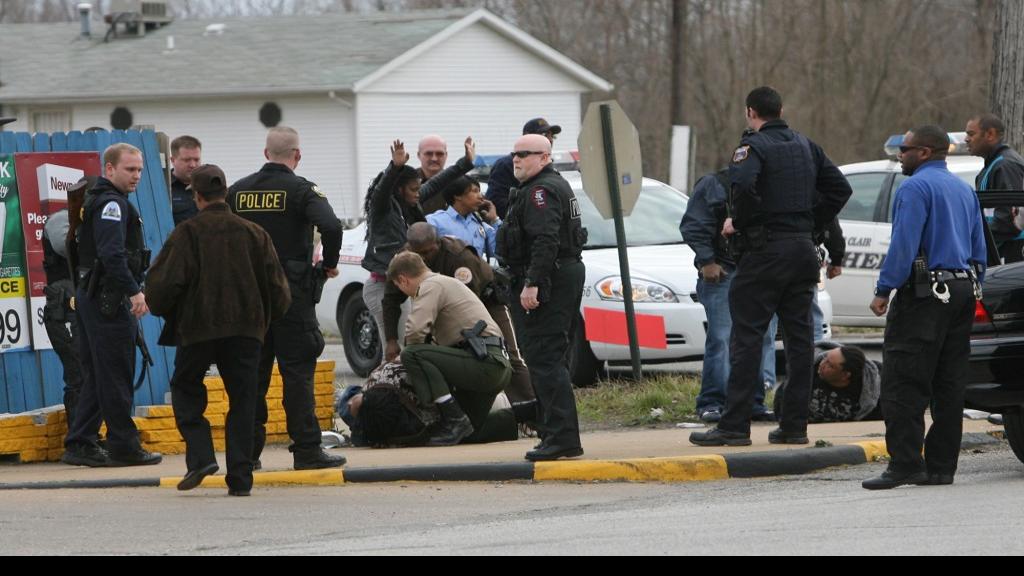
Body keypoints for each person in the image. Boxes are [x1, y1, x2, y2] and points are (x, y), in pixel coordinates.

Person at [689, 87, 851, 448]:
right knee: (799, 342)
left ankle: (734, 426)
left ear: (751, 112)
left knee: (746, 339)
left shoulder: (753, 148)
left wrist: (742, 223)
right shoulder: (807, 145)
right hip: (803, 252)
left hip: (764, 254)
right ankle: (794, 425)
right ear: (781, 110)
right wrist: (811, 223)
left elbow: (744, 185)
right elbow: (840, 189)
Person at [148, 165, 292, 496]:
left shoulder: (187, 234)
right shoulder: (255, 233)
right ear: (225, 193)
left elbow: (161, 286)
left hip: (197, 328)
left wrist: (172, 312)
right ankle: (241, 478)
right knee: (244, 399)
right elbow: (279, 290)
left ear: (197, 197)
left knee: (185, 387)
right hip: (246, 330)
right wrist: (263, 320)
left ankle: (200, 456)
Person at [863, 125, 987, 490]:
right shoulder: (964, 191)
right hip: (963, 290)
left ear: (927, 152)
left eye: (905, 149)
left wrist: (885, 288)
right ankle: (942, 467)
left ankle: (905, 464)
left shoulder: (915, 188)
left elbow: (905, 243)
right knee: (949, 384)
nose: (900, 154)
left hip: (924, 294)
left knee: (904, 381)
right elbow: (979, 248)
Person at [226, 126, 345, 471]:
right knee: (297, 374)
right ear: (297, 155)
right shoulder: (302, 190)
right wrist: (329, 266)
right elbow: (332, 227)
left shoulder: (239, 191)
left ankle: (247, 454)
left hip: (250, 297)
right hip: (292, 296)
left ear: (266, 154)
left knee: (251, 376)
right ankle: (306, 450)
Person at [62, 143, 162, 468]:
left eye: (139, 170)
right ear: (109, 169)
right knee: (117, 373)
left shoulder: (109, 201)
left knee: (100, 375)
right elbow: (111, 255)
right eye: (129, 169)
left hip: (98, 298)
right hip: (108, 299)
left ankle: (80, 442)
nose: (136, 176)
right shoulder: (112, 205)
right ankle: (124, 445)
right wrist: (134, 292)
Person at [497, 134, 587, 461]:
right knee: (550, 358)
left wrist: (532, 282)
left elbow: (546, 239)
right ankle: (555, 434)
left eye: (524, 154)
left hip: (549, 280)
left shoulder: (540, 191)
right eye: (514, 154)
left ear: (544, 157)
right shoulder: (546, 186)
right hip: (559, 274)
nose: (516, 159)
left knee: (545, 357)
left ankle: (561, 438)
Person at [381, 222, 534, 404]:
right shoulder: (406, 262)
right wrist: (391, 339)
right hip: (445, 311)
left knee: (510, 356)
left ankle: (532, 411)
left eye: (428, 252)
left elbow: (468, 304)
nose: (423, 258)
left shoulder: (458, 257)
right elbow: (390, 300)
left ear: (438, 243)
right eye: (418, 253)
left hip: (484, 302)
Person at [680, 169, 778, 423]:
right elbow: (694, 225)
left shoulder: (772, 183)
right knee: (722, 339)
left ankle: (753, 402)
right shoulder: (715, 184)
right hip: (724, 271)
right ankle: (712, 402)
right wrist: (707, 261)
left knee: (762, 338)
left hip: (760, 272)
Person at [387, 252, 512, 446]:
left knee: (412, 355)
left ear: (403, 280)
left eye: (398, 286)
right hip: (496, 364)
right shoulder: (446, 282)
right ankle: (520, 417)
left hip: (484, 362)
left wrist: (402, 364)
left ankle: (454, 419)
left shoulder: (430, 286)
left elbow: (415, 332)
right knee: (468, 434)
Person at [362, 138, 475, 342]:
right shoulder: (383, 208)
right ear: (399, 190)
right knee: (395, 345)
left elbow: (438, 182)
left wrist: (464, 163)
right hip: (383, 287)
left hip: (406, 284)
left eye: (418, 188)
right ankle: (385, 375)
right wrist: (395, 168)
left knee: (411, 344)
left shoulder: (410, 204)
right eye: (414, 189)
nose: (418, 193)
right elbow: (382, 190)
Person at [42, 177, 90, 430]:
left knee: (91, 375)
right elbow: (68, 247)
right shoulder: (62, 220)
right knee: (78, 374)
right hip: (65, 310)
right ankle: (80, 438)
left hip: (82, 309)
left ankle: (88, 435)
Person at [965, 113, 1024, 263]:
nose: (966, 139)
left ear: (990, 134)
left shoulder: (1005, 165)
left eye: (971, 134)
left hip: (1010, 256)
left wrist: (969, 236)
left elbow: (1010, 219)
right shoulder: (994, 165)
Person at [774, 342, 881, 423]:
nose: (822, 364)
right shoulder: (807, 374)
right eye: (825, 358)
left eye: (830, 365)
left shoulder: (872, 391)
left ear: (845, 375)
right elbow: (782, 404)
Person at [487, 118, 562, 219]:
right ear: (527, 137)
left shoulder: (548, 166)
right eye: (545, 135)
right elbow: (496, 201)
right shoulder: (506, 165)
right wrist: (527, 215)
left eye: (551, 135)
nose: (550, 139)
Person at [427, 176, 500, 261]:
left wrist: (495, 219)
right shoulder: (434, 221)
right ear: (457, 195)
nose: (481, 197)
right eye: (475, 191)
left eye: (479, 191)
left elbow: (498, 251)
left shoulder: (480, 224)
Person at [416, 135, 478, 214]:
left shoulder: (461, 184)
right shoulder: (406, 184)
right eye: (428, 153)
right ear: (418, 155)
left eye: (439, 154)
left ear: (446, 155)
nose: (434, 158)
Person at [169, 135, 202, 226]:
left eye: (196, 159)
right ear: (173, 160)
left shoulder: (210, 185)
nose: (192, 165)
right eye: (187, 160)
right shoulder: (163, 188)